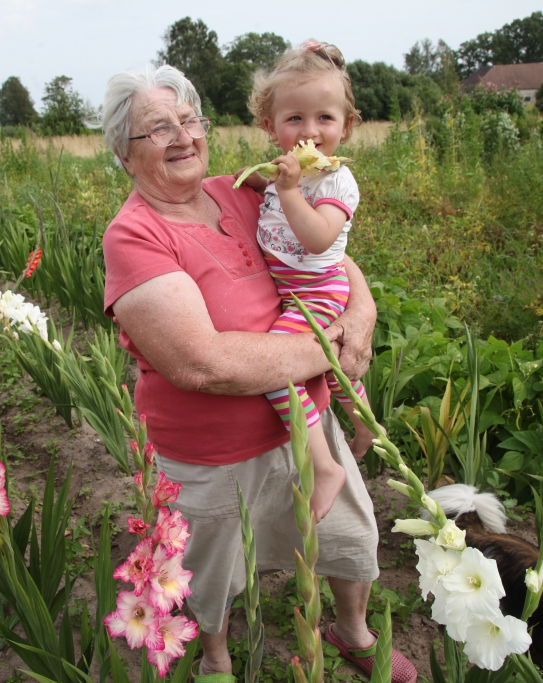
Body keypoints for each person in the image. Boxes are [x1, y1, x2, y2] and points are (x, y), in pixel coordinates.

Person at [100, 63, 416, 683]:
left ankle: (351, 631)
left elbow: (327, 251)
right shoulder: (134, 235)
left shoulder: (239, 189)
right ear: (124, 153)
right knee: (214, 568)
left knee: (348, 536)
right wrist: (331, 348)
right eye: (158, 129)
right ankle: (215, 658)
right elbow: (204, 364)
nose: (182, 136)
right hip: (214, 451)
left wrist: (364, 310)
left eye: (190, 120)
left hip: (305, 414)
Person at [237, 40, 377, 524]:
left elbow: (318, 239)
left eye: (325, 118)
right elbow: (266, 197)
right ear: (269, 126)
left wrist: (288, 189)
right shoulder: (283, 174)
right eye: (294, 119)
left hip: (319, 290)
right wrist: (258, 180)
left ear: (347, 125)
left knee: (278, 366)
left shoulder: (338, 183)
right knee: (324, 368)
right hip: (291, 291)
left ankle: (324, 465)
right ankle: (364, 424)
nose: (310, 131)